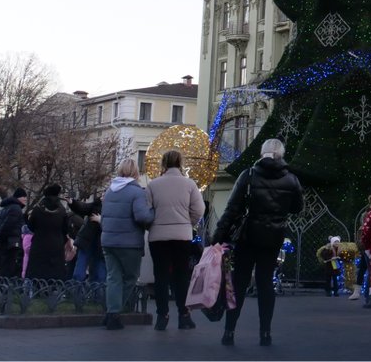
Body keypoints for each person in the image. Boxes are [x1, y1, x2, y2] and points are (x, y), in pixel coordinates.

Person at [213, 137, 303, 347]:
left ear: (262, 153)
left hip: (247, 236)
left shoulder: (249, 175)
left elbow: (232, 208)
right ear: (281, 154)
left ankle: (229, 331)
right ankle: (265, 333)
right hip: (273, 237)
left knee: (239, 283)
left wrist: (218, 236)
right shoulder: (291, 179)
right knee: (265, 284)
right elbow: (297, 208)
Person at [147, 149, 206, 330]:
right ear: (181, 163)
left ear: (163, 163)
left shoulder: (153, 185)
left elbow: (146, 212)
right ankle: (183, 315)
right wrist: (188, 223)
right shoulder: (189, 184)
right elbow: (199, 209)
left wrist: (153, 226)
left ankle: (162, 316)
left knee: (161, 276)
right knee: (181, 276)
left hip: (158, 237)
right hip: (182, 236)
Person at [102, 158, 153, 329]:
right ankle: (115, 313)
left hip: (108, 241)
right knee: (130, 278)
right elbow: (142, 217)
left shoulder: (110, 190)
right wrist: (152, 214)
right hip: (129, 243)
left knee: (113, 278)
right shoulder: (136, 192)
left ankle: (110, 313)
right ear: (136, 173)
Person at [25, 184, 76, 281]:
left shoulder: (38, 209)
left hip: (39, 244)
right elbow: (66, 228)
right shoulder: (62, 210)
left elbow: (31, 226)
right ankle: (53, 289)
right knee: (55, 271)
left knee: (38, 270)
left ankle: (38, 289)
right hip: (56, 244)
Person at [0, 187, 29, 278]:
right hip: (11, 241)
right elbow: (7, 225)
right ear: (18, 198)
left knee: (4, 263)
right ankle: (5, 286)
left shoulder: (6, 208)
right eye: (23, 197)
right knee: (9, 265)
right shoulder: (16, 208)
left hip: (6, 241)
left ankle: (2, 285)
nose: (25, 199)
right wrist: (0, 238)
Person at [73, 202, 106, 283]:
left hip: (99, 244)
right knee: (81, 270)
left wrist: (101, 221)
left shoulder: (112, 207)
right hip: (88, 241)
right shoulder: (96, 205)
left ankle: (95, 292)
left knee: (99, 274)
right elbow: (83, 207)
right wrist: (72, 202)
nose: (102, 196)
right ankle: (77, 289)